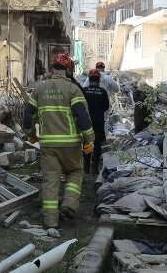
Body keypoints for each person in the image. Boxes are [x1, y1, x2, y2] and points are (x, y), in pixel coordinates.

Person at [29, 53, 95, 228]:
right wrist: (89, 139)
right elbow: (82, 116)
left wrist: (31, 134)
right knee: (75, 171)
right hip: (71, 144)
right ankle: (70, 203)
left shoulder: (39, 89)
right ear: (68, 70)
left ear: (52, 69)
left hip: (48, 144)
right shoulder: (73, 89)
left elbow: (28, 115)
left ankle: (51, 221)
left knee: (50, 180)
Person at [83, 69, 111, 175]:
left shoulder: (84, 91)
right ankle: (94, 167)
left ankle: (86, 166)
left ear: (89, 79)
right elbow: (106, 107)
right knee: (98, 143)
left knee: (88, 142)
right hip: (99, 122)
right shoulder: (102, 92)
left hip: (87, 121)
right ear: (99, 80)